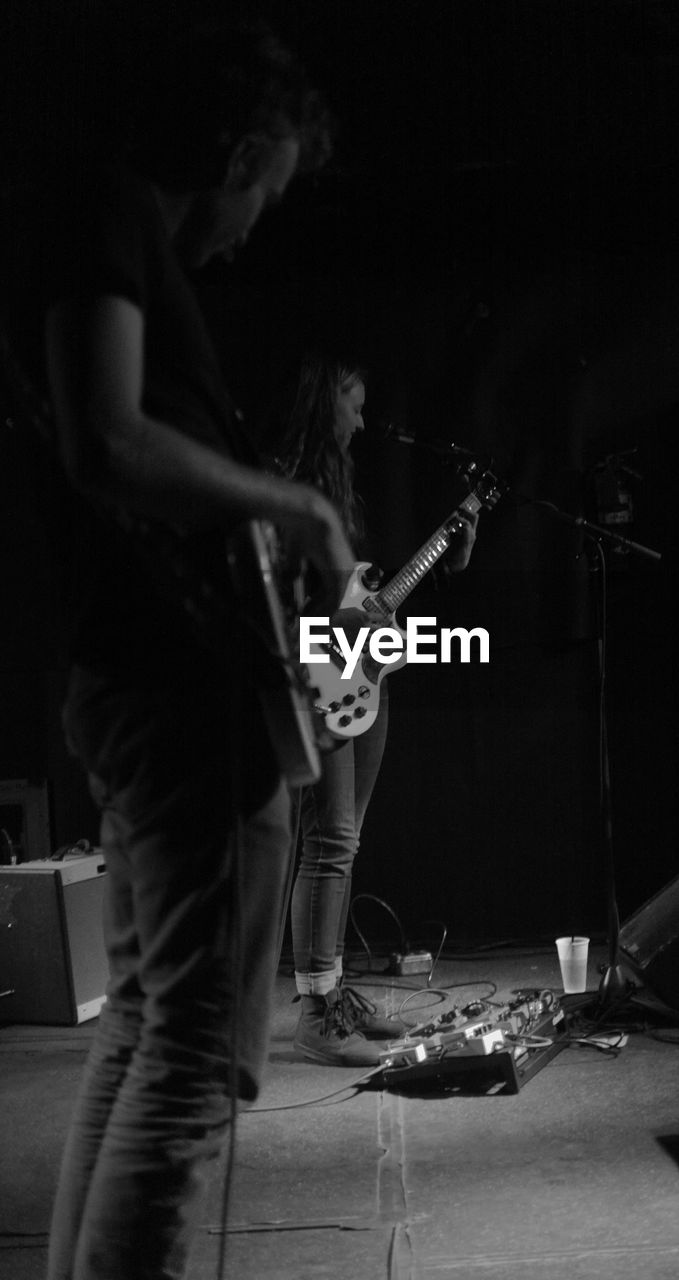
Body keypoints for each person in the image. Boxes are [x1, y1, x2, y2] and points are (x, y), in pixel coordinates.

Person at [13, 20, 357, 1280]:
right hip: (173, 693)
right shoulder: (107, 212)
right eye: (269, 188)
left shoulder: (93, 224)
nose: (258, 225)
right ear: (245, 145)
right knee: (190, 1058)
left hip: (133, 678)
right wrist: (301, 509)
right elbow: (107, 441)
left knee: (150, 1026)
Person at [277, 353, 479, 1066]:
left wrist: (449, 548)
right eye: (352, 404)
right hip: (320, 678)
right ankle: (313, 1009)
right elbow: (290, 599)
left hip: (364, 677)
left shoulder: (339, 486)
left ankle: (332, 996)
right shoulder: (288, 483)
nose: (362, 420)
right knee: (326, 841)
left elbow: (359, 595)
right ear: (321, 399)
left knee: (345, 841)